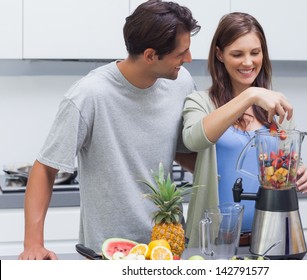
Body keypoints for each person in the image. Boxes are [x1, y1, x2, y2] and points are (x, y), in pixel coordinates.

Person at [18, 0, 200, 260]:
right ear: (150, 55)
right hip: (106, 253)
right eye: (181, 53)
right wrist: (33, 244)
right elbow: (45, 167)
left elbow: (181, 151)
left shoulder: (181, 83)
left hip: (166, 248)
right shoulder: (89, 95)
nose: (189, 59)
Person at [182, 12, 307, 247]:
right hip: (214, 242)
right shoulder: (200, 102)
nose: (248, 62)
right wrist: (250, 95)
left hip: (271, 239)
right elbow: (194, 140)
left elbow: (287, 163)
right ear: (219, 54)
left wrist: (300, 171)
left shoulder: (277, 107)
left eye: (255, 52)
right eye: (237, 54)